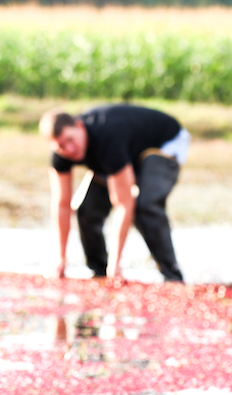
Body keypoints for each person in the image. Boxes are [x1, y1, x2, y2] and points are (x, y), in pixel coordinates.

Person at [40, 105, 187, 282]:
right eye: (61, 146)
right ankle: (100, 273)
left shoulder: (107, 137)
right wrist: (60, 259)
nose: (69, 149)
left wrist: (116, 263)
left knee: (145, 206)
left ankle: (172, 275)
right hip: (123, 153)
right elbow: (62, 204)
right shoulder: (61, 154)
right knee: (87, 210)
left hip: (165, 142)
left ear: (79, 126)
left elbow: (124, 204)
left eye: (70, 140)